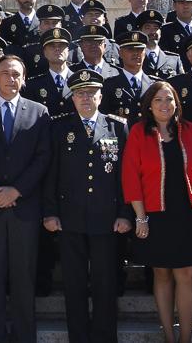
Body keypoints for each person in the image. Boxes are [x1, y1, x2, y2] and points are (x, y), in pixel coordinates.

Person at [123, 80, 192, 343]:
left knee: (188, 274)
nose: (165, 105)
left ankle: (186, 337)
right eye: (158, 100)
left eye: (169, 99)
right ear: (149, 106)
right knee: (162, 274)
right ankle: (169, 335)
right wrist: (140, 217)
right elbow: (131, 177)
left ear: (177, 103)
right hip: (156, 214)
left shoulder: (190, 130)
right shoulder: (140, 132)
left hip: (190, 211)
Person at [43, 69, 130, 343]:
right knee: (74, 283)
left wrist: (125, 214)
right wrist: (50, 212)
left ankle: (105, 337)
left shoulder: (117, 126)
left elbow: (124, 176)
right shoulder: (59, 128)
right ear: (72, 97)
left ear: (100, 96)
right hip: (70, 218)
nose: (85, 98)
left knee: (105, 283)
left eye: (91, 93)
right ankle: (79, 337)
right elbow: (51, 174)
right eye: (80, 93)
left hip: (106, 219)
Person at [0, 55, 51, 343]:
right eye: (5, 73)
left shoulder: (39, 112)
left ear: (24, 78)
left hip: (24, 207)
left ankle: (23, 336)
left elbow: (43, 158)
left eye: (16, 74)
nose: (11, 78)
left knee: (23, 278)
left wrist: (17, 190)